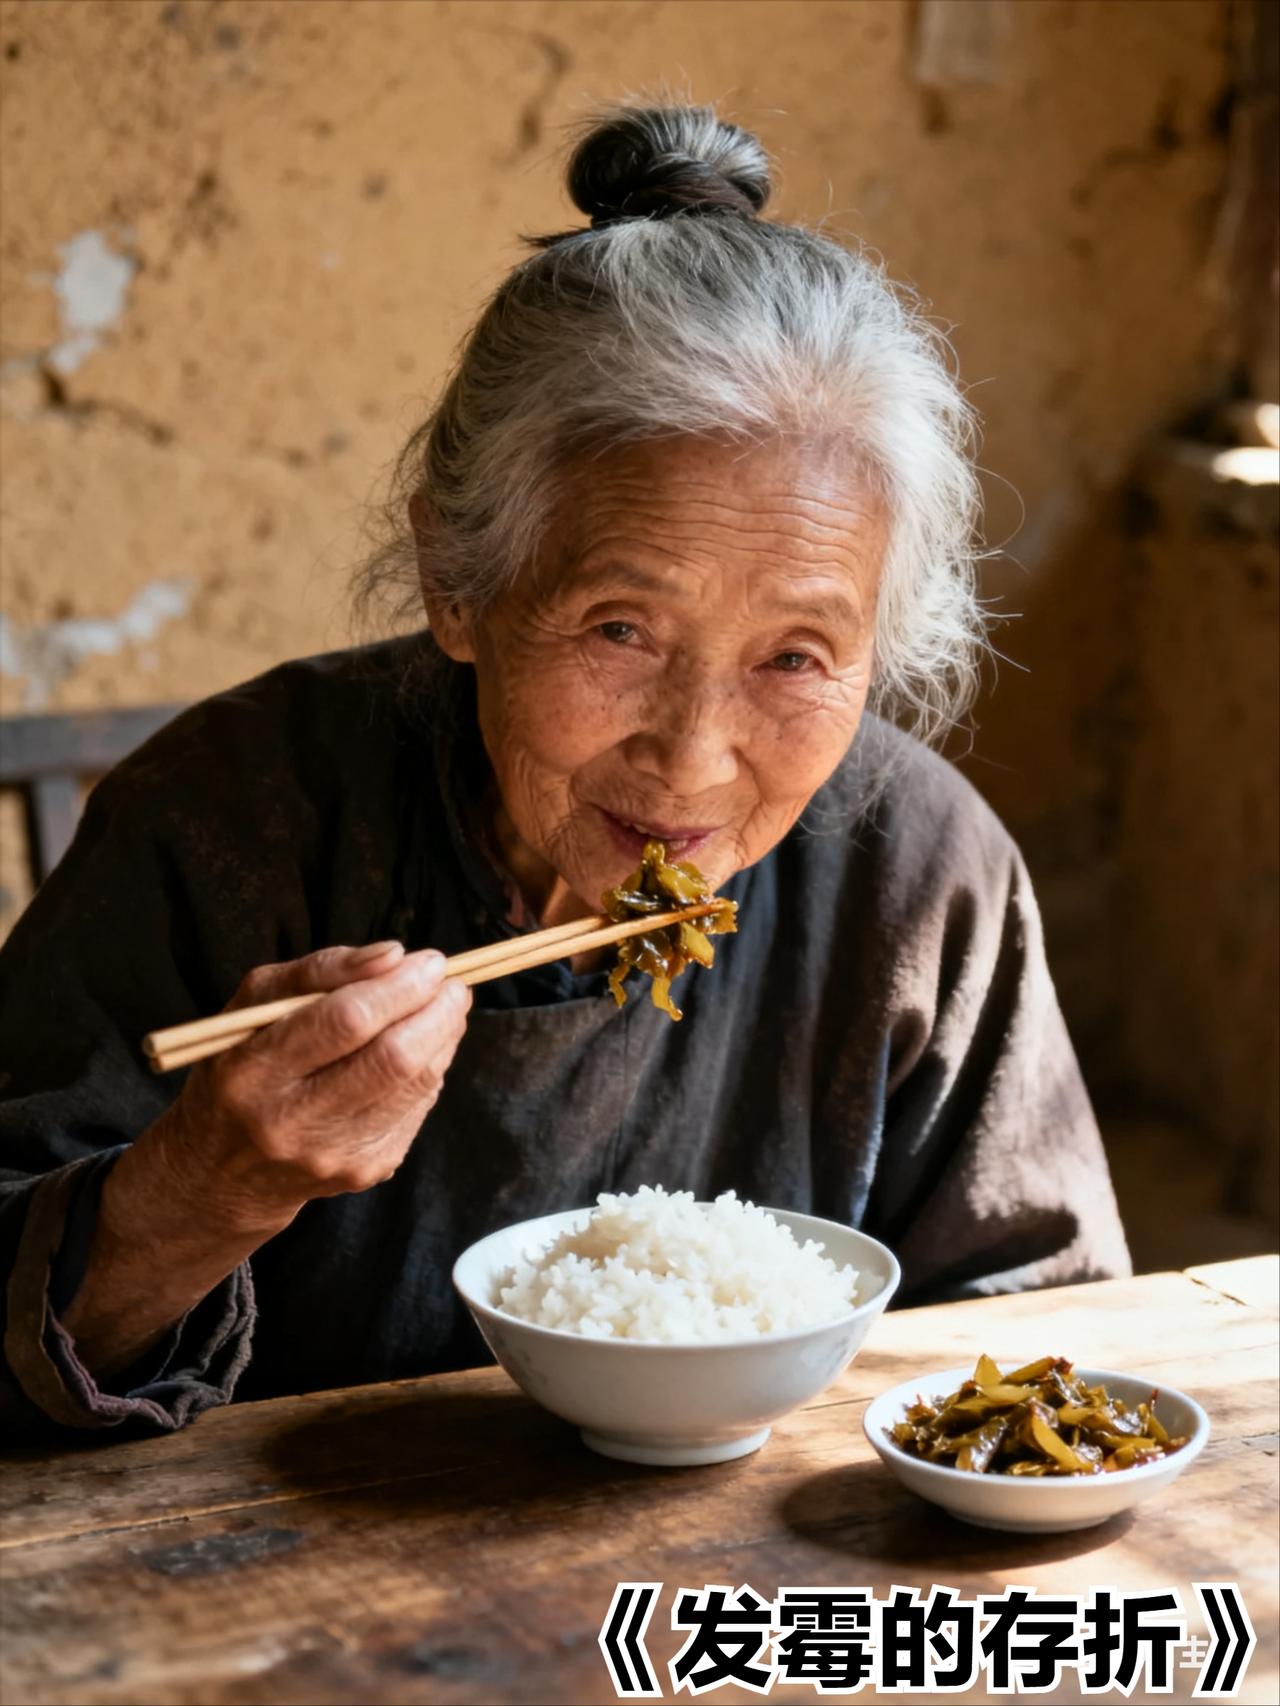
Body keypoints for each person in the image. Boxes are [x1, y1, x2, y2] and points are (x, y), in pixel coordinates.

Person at [0, 105, 1129, 1441]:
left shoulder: (919, 867)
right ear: (457, 582)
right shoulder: (230, 813)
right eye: (619, 629)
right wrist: (207, 1186)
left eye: (796, 656)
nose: (693, 756)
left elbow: (1046, 1349)